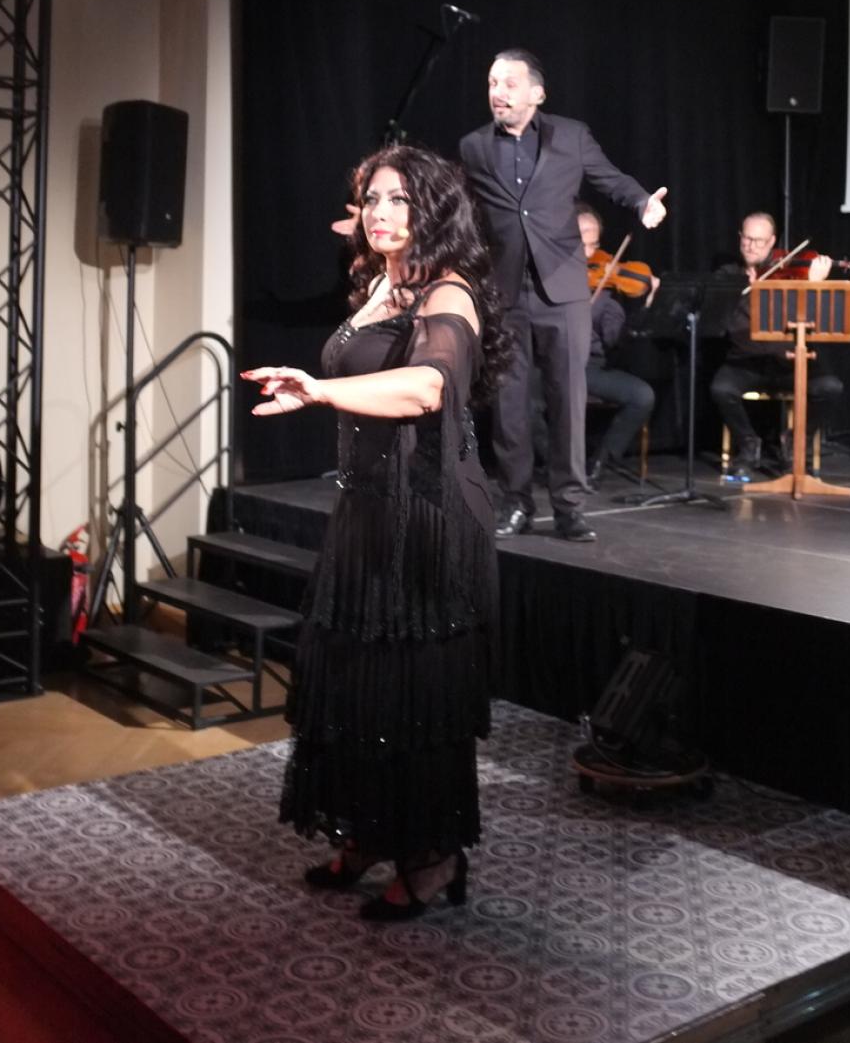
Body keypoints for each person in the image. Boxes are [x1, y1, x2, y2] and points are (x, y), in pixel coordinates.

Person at [243, 145, 508, 921]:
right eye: (372, 200)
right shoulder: (380, 284)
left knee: (412, 693)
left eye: (400, 199)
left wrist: (320, 389)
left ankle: (432, 855)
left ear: (434, 211)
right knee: (356, 680)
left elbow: (428, 387)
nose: (381, 212)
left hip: (425, 514)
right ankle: (365, 830)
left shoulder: (449, 292)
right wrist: (314, 391)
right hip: (366, 507)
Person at [459, 49, 667, 542]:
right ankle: (516, 502)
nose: (498, 92)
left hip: (564, 287)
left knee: (568, 398)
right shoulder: (474, 146)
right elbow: (456, 208)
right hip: (505, 289)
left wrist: (641, 201)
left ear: (537, 93)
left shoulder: (570, 136)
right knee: (509, 403)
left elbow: (609, 178)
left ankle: (570, 506)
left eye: (509, 83)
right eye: (492, 83)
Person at [710, 211, 843, 481]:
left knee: (830, 388)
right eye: (746, 239)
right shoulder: (728, 276)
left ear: (772, 242)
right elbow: (724, 324)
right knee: (721, 389)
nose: (751, 246)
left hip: (789, 361)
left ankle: (795, 443)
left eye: (759, 241)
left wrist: (814, 286)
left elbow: (813, 322)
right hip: (745, 361)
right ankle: (749, 445)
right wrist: (744, 292)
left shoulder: (790, 276)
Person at [576, 205, 658, 486]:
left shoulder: (606, 300)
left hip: (589, 369)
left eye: (594, 245)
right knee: (519, 396)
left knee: (642, 395)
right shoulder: (544, 279)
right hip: (548, 363)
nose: (589, 255)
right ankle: (556, 465)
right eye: (581, 244)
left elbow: (616, 339)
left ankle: (600, 462)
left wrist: (644, 309)